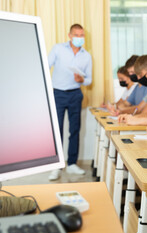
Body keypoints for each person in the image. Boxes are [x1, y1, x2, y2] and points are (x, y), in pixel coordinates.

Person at [48, 24, 92, 181]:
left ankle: (72, 163)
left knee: (75, 130)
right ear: (69, 35)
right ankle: (56, 167)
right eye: (76, 34)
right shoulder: (58, 49)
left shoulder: (87, 56)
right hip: (58, 94)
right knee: (56, 130)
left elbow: (89, 80)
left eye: (82, 35)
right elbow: (46, 66)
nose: (79, 37)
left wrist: (82, 79)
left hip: (75, 95)